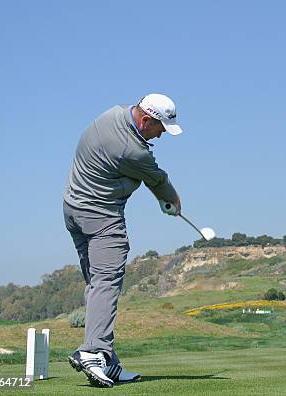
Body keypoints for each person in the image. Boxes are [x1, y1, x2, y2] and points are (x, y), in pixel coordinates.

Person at [63, 94, 183, 387]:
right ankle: (93, 352)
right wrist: (173, 202)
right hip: (102, 218)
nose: (161, 135)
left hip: (73, 211)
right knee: (107, 283)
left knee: (96, 285)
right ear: (145, 120)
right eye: (160, 129)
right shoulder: (134, 151)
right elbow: (157, 179)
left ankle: (109, 361)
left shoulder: (111, 114)